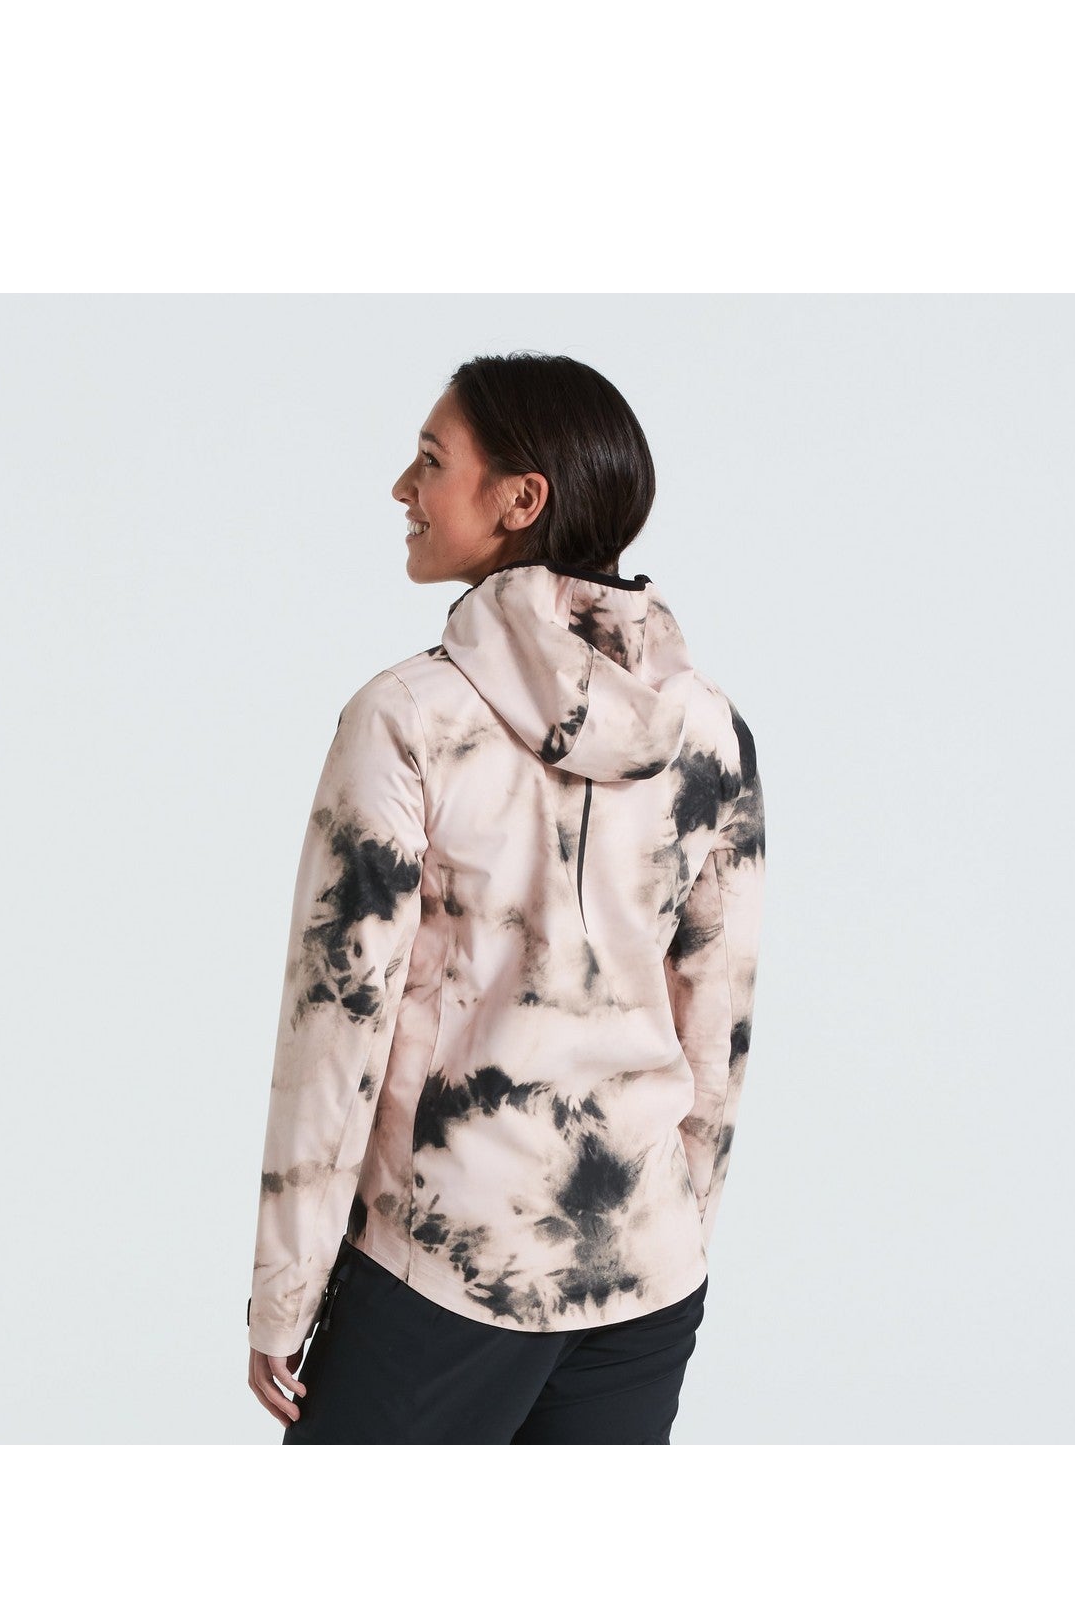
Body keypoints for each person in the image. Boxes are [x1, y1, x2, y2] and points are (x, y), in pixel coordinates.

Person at [244, 352, 765, 1443]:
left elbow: (338, 1022)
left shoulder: (406, 719)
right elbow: (716, 1020)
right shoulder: (710, 728)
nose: (403, 488)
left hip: (442, 1272)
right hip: (644, 1273)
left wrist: (285, 1290)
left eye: (432, 461)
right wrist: (681, 1228)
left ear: (520, 499)